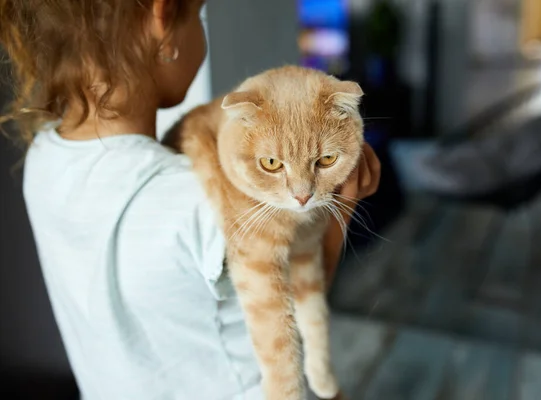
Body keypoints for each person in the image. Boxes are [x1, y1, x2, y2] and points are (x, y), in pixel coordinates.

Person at [0, 1, 381, 398]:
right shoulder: (200, 202)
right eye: (199, 16)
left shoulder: (44, 153)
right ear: (162, 21)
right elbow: (296, 303)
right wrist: (344, 204)